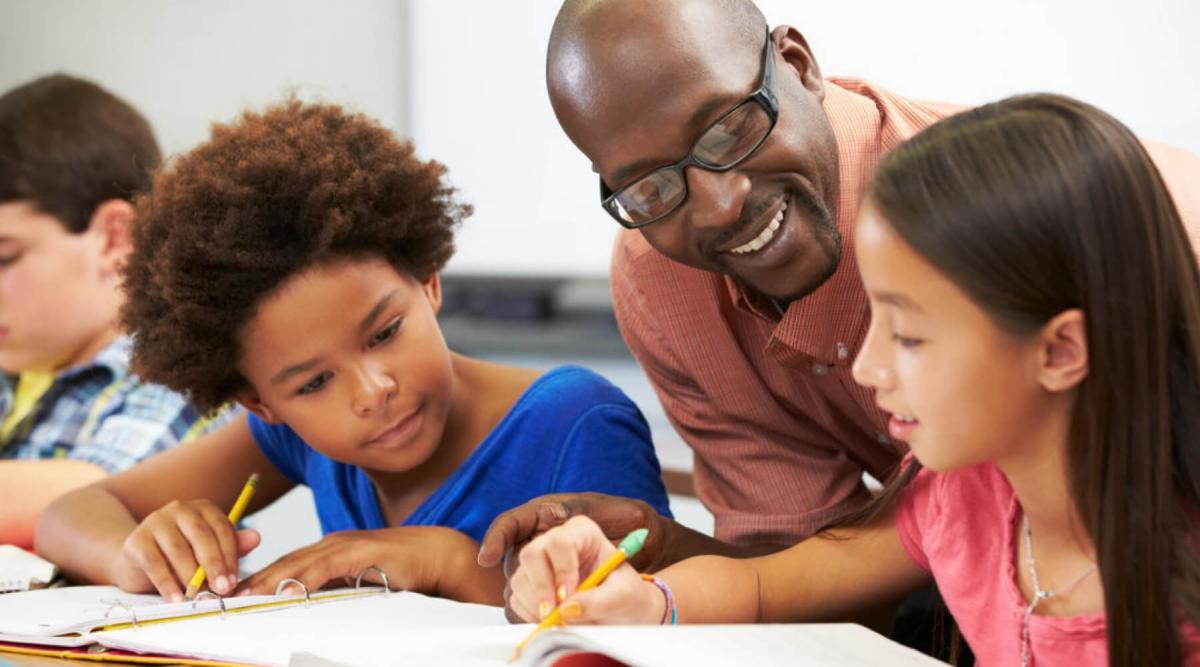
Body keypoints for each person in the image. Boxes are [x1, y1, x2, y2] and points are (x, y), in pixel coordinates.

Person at [478, 0, 1200, 578]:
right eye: (652, 185)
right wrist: (661, 552)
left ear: (797, 64)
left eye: (730, 129)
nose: (720, 205)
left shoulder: (1044, 217)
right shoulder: (660, 283)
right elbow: (805, 572)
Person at [34, 99, 671, 606]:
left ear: (428, 281)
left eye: (385, 333)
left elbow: (642, 615)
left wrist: (443, 562)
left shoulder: (574, 421)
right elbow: (69, 514)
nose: (372, 392)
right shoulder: (289, 437)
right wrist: (135, 552)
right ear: (261, 401)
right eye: (312, 384)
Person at [0, 74, 228, 548]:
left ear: (114, 237)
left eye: (5, 258)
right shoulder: (18, 364)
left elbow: (107, 498)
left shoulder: (183, 368)